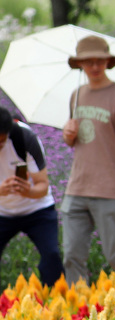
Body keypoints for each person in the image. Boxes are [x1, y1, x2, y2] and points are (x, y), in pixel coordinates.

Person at [61, 35, 115, 285]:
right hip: (76, 188)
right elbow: (74, 142)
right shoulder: (76, 95)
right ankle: (79, 307)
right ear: (80, 64)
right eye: (88, 62)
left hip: (109, 190)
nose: (94, 66)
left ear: (108, 62)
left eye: (99, 61)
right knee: (72, 254)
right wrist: (68, 135)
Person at [0, 107, 61, 286]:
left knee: (51, 255)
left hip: (37, 208)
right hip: (3, 211)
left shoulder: (25, 138)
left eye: (1, 142)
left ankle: (56, 298)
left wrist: (27, 191)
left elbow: (42, 185)